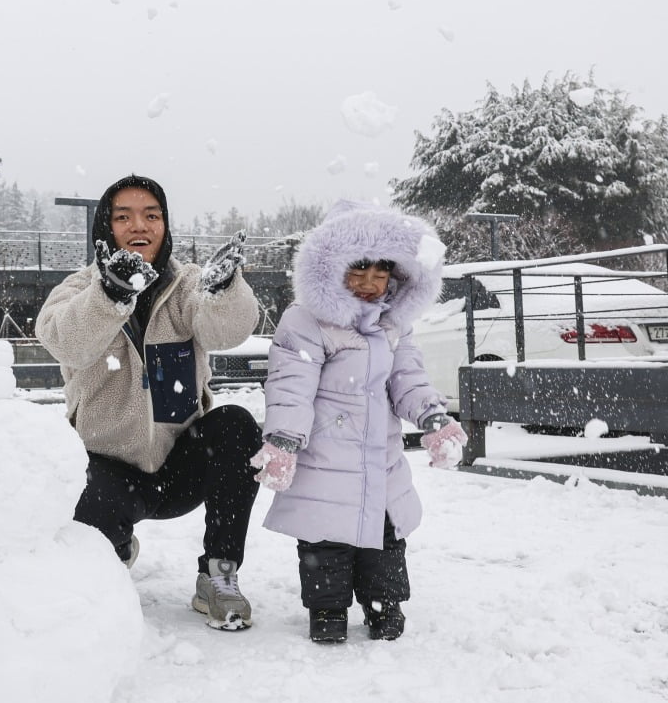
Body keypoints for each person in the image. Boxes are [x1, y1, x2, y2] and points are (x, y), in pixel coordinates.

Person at [35, 174, 263, 631]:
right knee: (79, 486)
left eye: (151, 215)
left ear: (164, 224)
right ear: (106, 229)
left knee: (236, 424)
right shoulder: (79, 288)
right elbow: (64, 341)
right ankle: (112, 550)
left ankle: (218, 573)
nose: (139, 225)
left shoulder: (188, 285)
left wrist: (224, 291)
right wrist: (111, 295)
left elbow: (228, 330)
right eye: (124, 217)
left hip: (179, 466)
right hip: (109, 470)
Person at [250, 200, 468, 644]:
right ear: (332, 269)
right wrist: (284, 439)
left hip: (378, 460)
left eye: (381, 270)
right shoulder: (306, 321)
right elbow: (292, 384)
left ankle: (385, 604)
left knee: (386, 537)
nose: (370, 282)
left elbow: (408, 378)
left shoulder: (394, 325)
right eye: (358, 269)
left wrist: (433, 416)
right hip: (325, 458)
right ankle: (327, 610)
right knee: (325, 541)